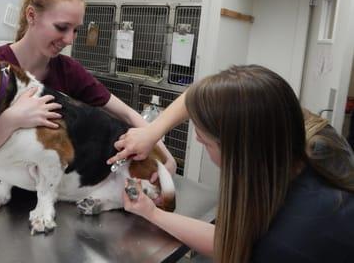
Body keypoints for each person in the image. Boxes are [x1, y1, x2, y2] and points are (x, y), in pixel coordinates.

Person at [0, 0, 176, 200]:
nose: (69, 40)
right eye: (61, 27)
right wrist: (12, 120)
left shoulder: (67, 71)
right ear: (32, 15)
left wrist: (165, 160)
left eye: (75, 30)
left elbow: (125, 113)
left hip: (32, 202)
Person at [109, 65, 354, 263]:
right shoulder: (297, 139)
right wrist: (153, 131)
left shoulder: (288, 243)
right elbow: (233, 241)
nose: (196, 138)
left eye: (205, 142)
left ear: (239, 152)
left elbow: (240, 249)